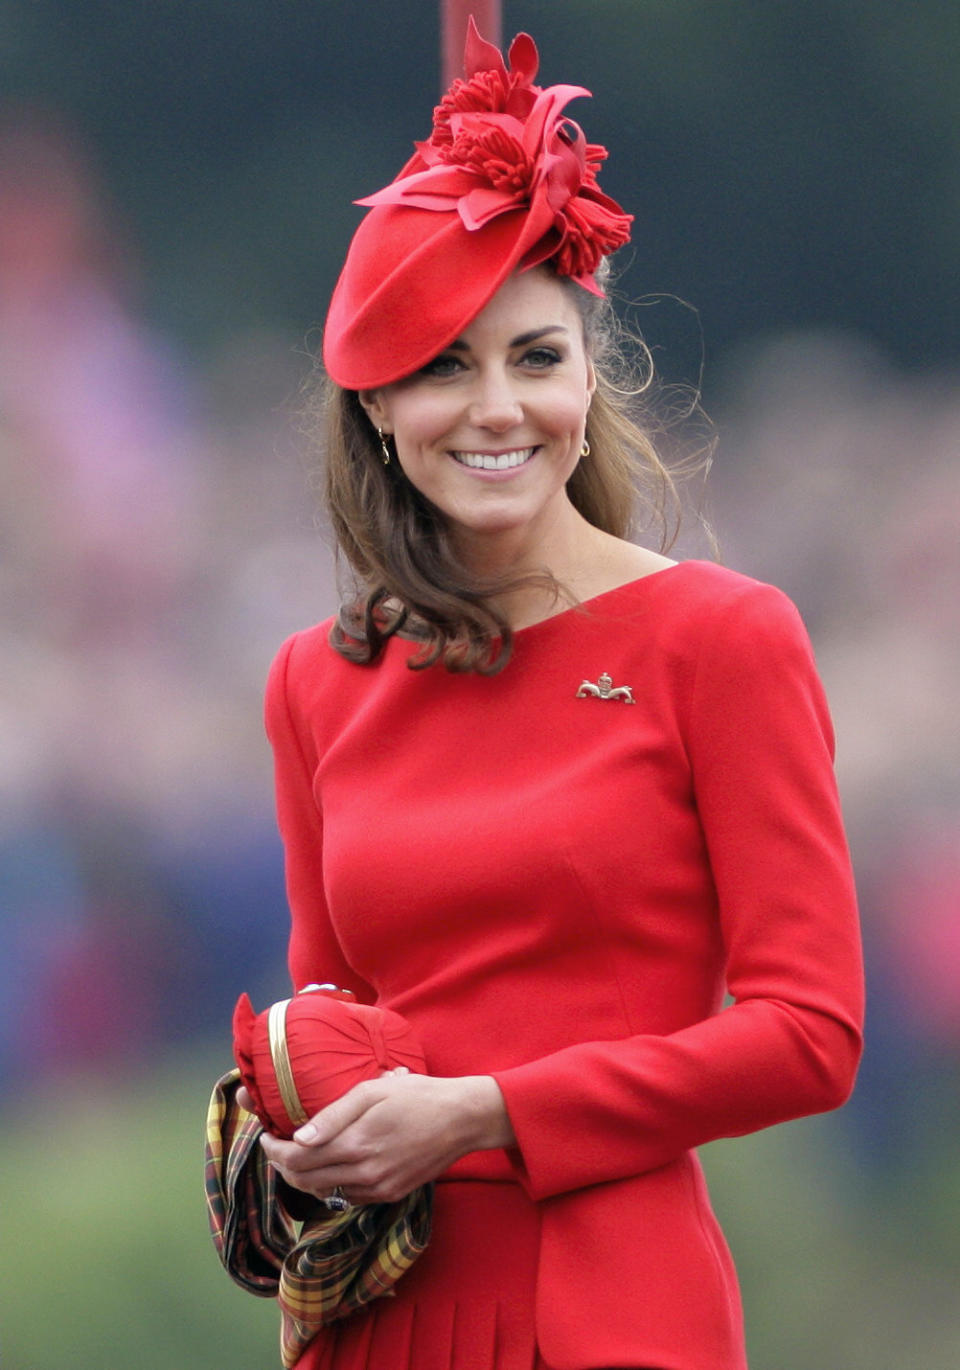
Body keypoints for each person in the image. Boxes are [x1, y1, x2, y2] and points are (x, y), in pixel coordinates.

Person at [250, 21, 864, 1370]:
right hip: (376, 1312)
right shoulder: (316, 678)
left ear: (590, 373)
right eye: (441, 363)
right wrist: (291, 1121)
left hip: (610, 1308)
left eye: (535, 356)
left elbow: (810, 1033)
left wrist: (483, 1109)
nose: (495, 407)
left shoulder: (723, 636)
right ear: (376, 407)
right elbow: (331, 1012)